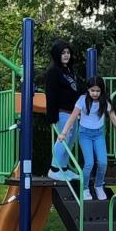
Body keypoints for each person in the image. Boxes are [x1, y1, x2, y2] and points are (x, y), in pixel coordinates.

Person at [57, 76, 116, 202]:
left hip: (98, 135)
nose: (95, 93)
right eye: (93, 90)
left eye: (98, 91)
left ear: (102, 91)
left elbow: (114, 118)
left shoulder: (105, 102)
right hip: (84, 134)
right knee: (89, 163)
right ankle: (85, 188)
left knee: (103, 162)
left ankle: (98, 185)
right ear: (88, 90)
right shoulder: (82, 100)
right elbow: (73, 117)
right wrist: (63, 133)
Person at [43, 41, 81, 177]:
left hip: (73, 112)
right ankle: (54, 169)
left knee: (71, 140)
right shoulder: (53, 72)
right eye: (63, 53)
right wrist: (52, 115)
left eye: (68, 53)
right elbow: (51, 94)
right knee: (63, 139)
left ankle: (63, 169)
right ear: (57, 54)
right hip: (62, 112)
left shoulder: (69, 71)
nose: (66, 55)